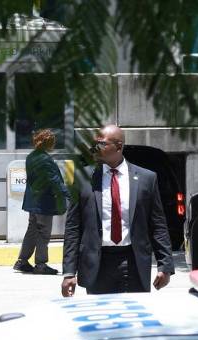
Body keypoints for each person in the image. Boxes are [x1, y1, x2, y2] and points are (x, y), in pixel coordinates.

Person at [61, 125, 174, 296]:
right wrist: (69, 272)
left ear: (119, 146)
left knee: (135, 319)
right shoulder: (83, 179)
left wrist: (165, 265)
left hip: (133, 262)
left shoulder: (146, 178)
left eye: (101, 145)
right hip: (98, 265)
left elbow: (158, 225)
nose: (95, 149)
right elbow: (73, 227)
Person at [14, 129, 69, 275]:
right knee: (43, 234)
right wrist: (69, 194)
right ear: (48, 143)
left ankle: (22, 261)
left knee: (31, 232)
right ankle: (41, 265)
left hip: (33, 202)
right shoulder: (44, 159)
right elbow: (54, 181)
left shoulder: (31, 157)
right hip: (43, 203)